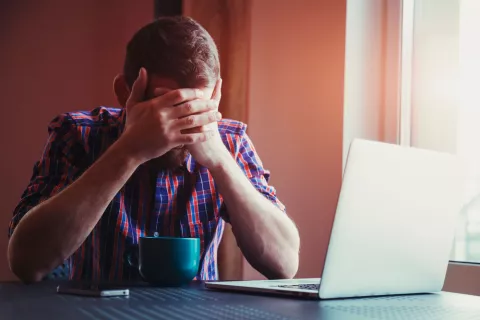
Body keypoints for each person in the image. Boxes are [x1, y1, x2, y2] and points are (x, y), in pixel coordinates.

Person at [7, 16, 300, 283]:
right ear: (125, 92)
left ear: (216, 94)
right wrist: (129, 151)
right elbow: (26, 262)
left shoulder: (231, 142)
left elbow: (285, 264)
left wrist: (221, 162)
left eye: (198, 106)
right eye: (167, 105)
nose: (182, 123)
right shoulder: (78, 134)